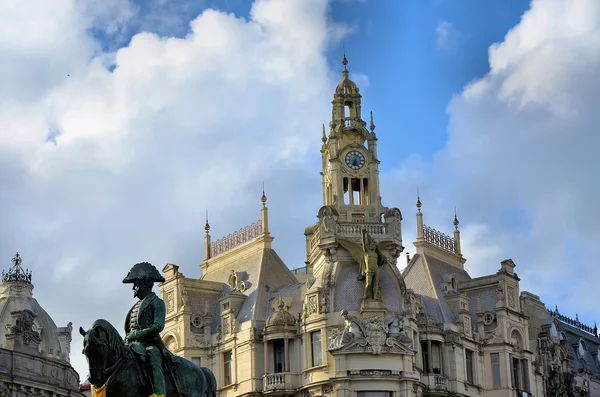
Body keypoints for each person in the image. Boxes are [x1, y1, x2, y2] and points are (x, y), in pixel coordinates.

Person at [123, 262, 167, 397]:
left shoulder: (157, 302)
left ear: (144, 285)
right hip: (133, 345)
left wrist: (137, 334)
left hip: (150, 344)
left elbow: (158, 326)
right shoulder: (136, 306)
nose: (133, 289)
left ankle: (159, 394)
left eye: (135, 285)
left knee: (154, 361)